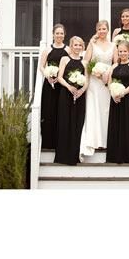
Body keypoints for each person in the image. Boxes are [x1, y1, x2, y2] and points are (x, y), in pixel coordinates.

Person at [79, 20, 114, 158]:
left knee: (105, 110)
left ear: (108, 30)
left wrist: (107, 75)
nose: (102, 31)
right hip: (94, 82)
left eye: (104, 29)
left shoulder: (113, 46)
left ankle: (105, 141)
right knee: (93, 109)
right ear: (96, 30)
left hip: (106, 82)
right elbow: (85, 62)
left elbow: (116, 63)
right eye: (99, 29)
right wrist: (95, 72)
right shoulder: (92, 45)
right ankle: (94, 141)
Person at [105, 41, 129, 164]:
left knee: (128, 125)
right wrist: (113, 93)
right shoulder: (114, 66)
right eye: (120, 51)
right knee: (116, 125)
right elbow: (109, 82)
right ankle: (115, 155)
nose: (122, 53)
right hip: (115, 99)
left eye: (124, 51)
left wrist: (122, 93)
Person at [54, 36, 88, 165]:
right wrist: (69, 87)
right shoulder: (64, 59)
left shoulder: (84, 62)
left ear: (82, 47)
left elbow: (87, 81)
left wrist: (80, 91)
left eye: (80, 45)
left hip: (79, 96)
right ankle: (63, 155)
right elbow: (60, 77)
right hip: (66, 94)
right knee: (65, 122)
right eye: (75, 45)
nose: (78, 47)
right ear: (71, 46)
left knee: (76, 123)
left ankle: (74, 155)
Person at [38, 24, 69, 149]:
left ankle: (60, 142)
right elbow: (41, 66)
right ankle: (48, 142)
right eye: (57, 33)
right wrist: (48, 75)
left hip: (62, 84)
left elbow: (69, 64)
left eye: (61, 33)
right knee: (49, 111)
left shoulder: (67, 50)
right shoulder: (47, 50)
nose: (59, 35)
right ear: (53, 34)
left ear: (64, 35)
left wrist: (60, 77)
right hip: (49, 84)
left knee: (60, 111)